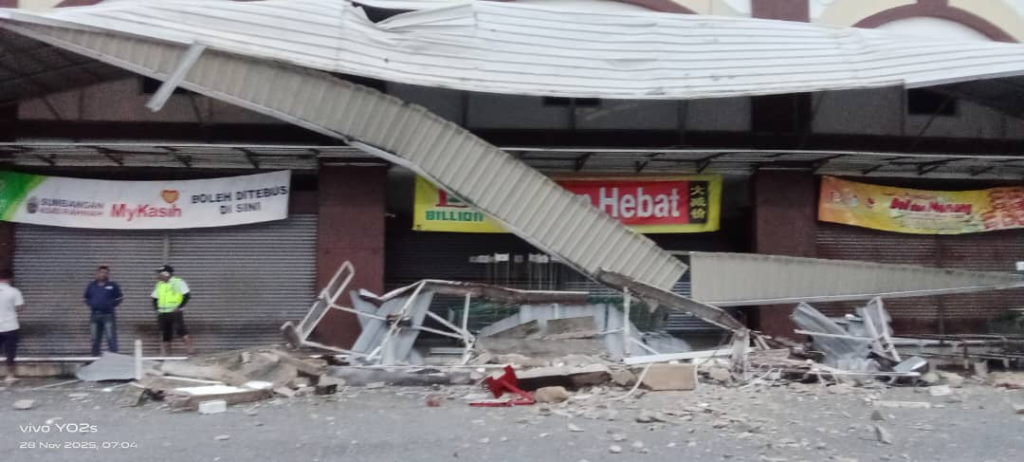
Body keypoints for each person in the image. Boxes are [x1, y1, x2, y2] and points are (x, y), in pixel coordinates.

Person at [151, 265, 194, 356]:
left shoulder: (178, 282)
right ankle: (167, 355)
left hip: (175, 312)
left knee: (181, 331)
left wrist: (179, 307)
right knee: (166, 334)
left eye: (160, 273)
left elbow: (187, 296)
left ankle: (191, 352)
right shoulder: (159, 284)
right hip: (163, 313)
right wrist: (157, 309)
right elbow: (154, 298)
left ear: (166, 274)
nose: (158, 275)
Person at [83, 265, 123, 356]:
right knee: (94, 338)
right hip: (95, 316)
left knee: (111, 337)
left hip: (108, 316)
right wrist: (92, 304)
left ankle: (114, 358)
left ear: (108, 274)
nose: (103, 274)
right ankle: (94, 358)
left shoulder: (113, 286)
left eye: (105, 273)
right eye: (101, 272)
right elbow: (85, 298)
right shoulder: (91, 286)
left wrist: (111, 305)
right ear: (97, 273)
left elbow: (120, 297)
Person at [0, 268, 25, 384]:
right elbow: (20, 308)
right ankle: (10, 375)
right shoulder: (14, 291)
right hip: (11, 326)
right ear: (10, 278)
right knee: (10, 352)